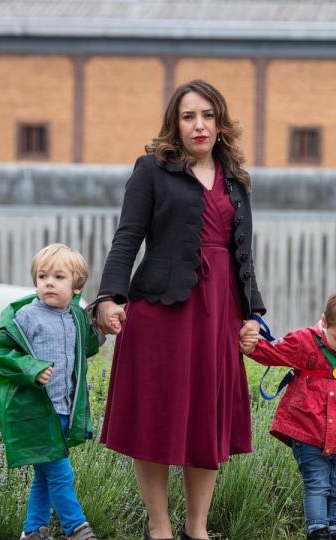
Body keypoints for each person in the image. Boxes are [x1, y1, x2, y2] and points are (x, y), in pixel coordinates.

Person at [93, 79, 265, 540]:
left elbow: (244, 253)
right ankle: (159, 526)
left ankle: (198, 529)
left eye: (207, 115)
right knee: (155, 416)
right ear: (175, 124)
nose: (199, 125)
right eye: (189, 116)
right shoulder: (151, 170)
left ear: (220, 122)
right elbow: (127, 237)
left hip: (219, 315)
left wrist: (253, 314)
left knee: (205, 420)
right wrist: (110, 297)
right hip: (159, 314)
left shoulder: (236, 179)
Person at [240, 288, 336, 540]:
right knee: (317, 483)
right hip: (307, 430)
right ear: (324, 321)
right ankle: (317, 530)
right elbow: (274, 353)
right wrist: (251, 346)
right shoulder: (304, 342)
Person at [0, 243, 102, 540]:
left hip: (63, 410)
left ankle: (33, 531)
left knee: (44, 476)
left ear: (76, 286)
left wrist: (104, 329)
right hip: (36, 414)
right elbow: (0, 351)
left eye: (59, 277)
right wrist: (32, 368)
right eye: (42, 276)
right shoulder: (26, 316)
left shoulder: (75, 317)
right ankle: (76, 528)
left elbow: (86, 346)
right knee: (62, 474)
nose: (49, 282)